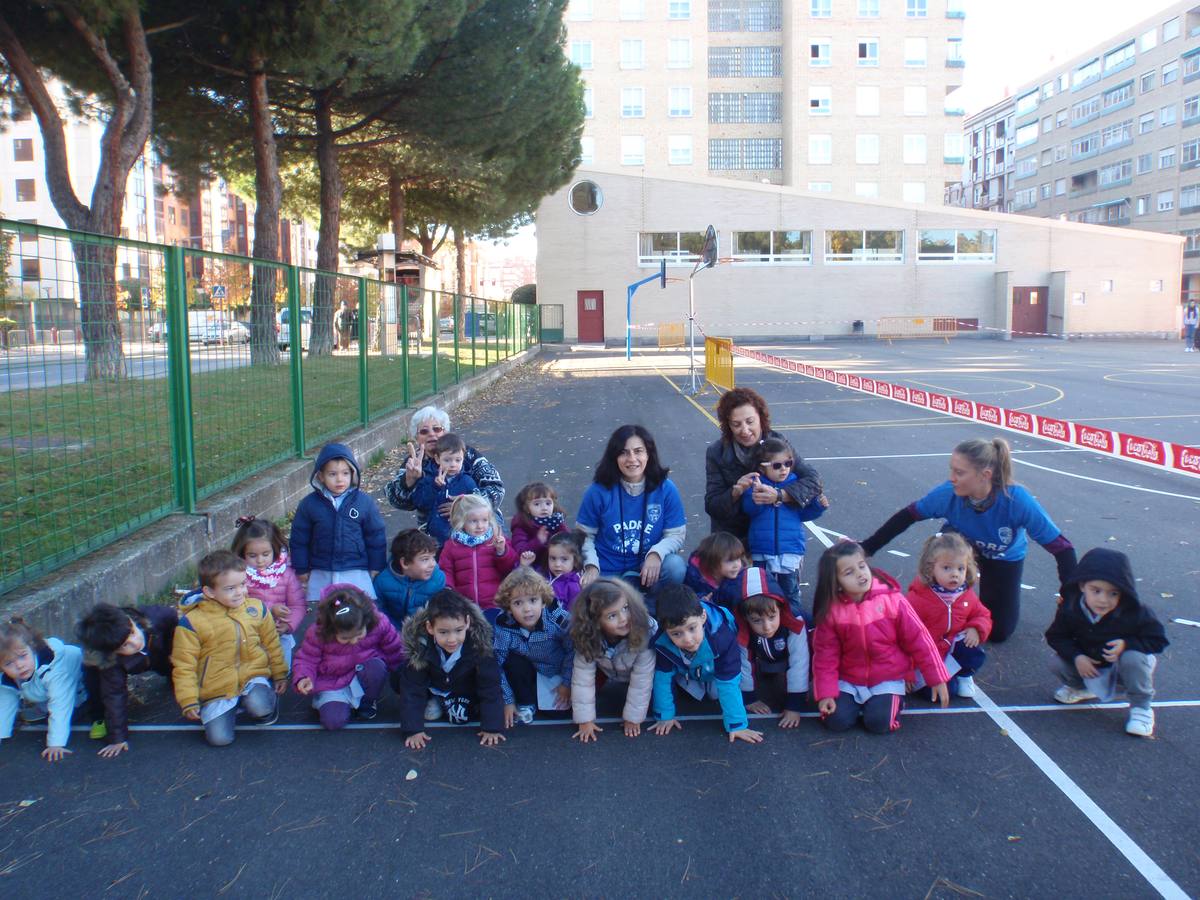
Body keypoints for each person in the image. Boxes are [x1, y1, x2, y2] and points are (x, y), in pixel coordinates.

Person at [861, 437, 1076, 643]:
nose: (952, 477)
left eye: (959, 472)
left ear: (985, 474)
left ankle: (969, 604)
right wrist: (866, 548)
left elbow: (1062, 548)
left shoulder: (1017, 500)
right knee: (946, 558)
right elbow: (907, 516)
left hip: (1003, 557)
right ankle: (937, 600)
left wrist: (1071, 593)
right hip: (961, 551)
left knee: (998, 632)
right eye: (951, 470)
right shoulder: (949, 493)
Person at [811, 542, 949, 735]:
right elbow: (825, 656)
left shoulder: (892, 600)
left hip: (887, 677)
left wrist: (936, 677)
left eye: (861, 566)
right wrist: (826, 693)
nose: (860, 574)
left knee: (878, 723)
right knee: (836, 721)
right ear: (835, 582)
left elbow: (919, 639)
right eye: (849, 572)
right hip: (849, 678)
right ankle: (857, 703)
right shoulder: (832, 611)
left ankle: (888, 702)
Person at [1045, 548, 1168, 737]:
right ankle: (1083, 688)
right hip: (1092, 666)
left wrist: (1127, 644)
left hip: (1123, 667)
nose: (1103, 600)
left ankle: (1141, 708)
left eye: (1113, 593)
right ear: (1082, 586)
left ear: (1123, 592)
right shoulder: (1070, 607)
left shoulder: (1136, 612)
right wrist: (1077, 657)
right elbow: (1056, 636)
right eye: (1096, 591)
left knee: (1133, 657)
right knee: (1056, 662)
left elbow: (1158, 640)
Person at [171, 550, 288, 747]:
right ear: (209, 592)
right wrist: (188, 698)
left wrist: (280, 674)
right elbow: (184, 665)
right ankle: (231, 706)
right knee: (220, 739)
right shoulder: (192, 622)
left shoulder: (256, 608)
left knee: (260, 706)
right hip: (217, 687)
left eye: (243, 584)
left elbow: (272, 644)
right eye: (230, 588)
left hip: (253, 675)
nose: (240, 592)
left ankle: (259, 699)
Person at [576, 425, 687, 606]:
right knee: (592, 600)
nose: (632, 459)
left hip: (647, 569)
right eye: (624, 453)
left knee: (675, 566)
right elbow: (583, 536)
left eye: (638, 451)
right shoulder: (598, 491)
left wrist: (656, 554)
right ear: (614, 457)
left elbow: (676, 534)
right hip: (608, 568)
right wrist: (591, 566)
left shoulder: (665, 488)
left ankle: (652, 611)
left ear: (648, 454)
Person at [704, 387, 823, 545]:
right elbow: (712, 505)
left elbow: (814, 479)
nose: (745, 430)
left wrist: (780, 495)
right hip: (733, 539)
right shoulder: (717, 452)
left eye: (750, 421)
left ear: (761, 417)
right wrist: (735, 492)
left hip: (771, 539)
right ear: (728, 426)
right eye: (736, 424)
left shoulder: (778, 443)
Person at [649, 584, 764, 745]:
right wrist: (664, 716)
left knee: (718, 692)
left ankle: (706, 685)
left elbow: (728, 681)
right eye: (677, 633)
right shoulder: (663, 642)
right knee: (678, 684)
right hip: (690, 671)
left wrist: (737, 725)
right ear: (665, 630)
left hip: (714, 670)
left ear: (703, 617)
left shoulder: (722, 637)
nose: (687, 639)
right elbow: (662, 679)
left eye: (692, 628)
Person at [400, 589, 506, 750]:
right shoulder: (420, 646)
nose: (451, 639)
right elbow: (413, 689)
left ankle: (448, 703)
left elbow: (490, 687)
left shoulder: (480, 646)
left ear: (468, 623)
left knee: (461, 717)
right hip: (434, 685)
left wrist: (491, 727)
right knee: (402, 676)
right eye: (443, 632)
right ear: (430, 627)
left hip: (463, 688)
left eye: (458, 631)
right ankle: (433, 699)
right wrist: (413, 729)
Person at [292, 584, 405, 730]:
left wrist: (402, 682)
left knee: (376, 667)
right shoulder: (318, 633)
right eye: (345, 638)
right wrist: (304, 677)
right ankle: (331, 702)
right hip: (332, 681)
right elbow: (307, 659)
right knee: (333, 722)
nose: (353, 641)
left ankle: (367, 701)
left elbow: (394, 650)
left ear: (366, 620)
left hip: (363, 672)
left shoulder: (379, 622)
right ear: (332, 630)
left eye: (359, 635)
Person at [741, 437, 829, 619]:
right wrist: (755, 495)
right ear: (762, 467)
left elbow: (803, 515)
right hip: (762, 551)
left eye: (788, 463)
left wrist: (817, 507)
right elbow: (750, 511)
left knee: (790, 592)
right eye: (777, 465)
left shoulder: (795, 485)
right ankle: (767, 630)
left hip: (790, 549)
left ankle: (797, 627)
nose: (783, 469)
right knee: (763, 593)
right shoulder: (756, 486)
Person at [290, 442, 388, 601]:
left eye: (345, 473)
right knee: (321, 611)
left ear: (353, 474)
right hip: (321, 569)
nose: (339, 479)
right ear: (320, 476)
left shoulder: (364, 503)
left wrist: (376, 565)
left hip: (355, 568)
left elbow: (376, 535)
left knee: (360, 612)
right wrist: (301, 568)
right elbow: (299, 539)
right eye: (332, 474)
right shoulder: (309, 504)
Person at [77, 603, 177, 758]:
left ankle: (173, 675)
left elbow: (173, 622)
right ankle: (98, 717)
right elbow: (114, 695)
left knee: (171, 663)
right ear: (113, 651)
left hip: (157, 649)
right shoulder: (111, 662)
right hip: (126, 663)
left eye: (132, 632)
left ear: (130, 620)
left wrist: (174, 649)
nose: (135, 642)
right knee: (98, 687)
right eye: (125, 645)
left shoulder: (158, 617)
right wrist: (118, 738)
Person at [385, 405, 505, 530]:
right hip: (435, 527)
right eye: (424, 431)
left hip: (479, 521)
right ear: (417, 438)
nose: (431, 434)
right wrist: (408, 481)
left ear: (445, 432)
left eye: (437, 429)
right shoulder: (414, 461)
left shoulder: (466, 454)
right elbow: (396, 501)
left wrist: (465, 506)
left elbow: (496, 489)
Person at [905, 533, 993, 699]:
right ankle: (945, 678)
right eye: (947, 568)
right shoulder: (917, 599)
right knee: (941, 694)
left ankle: (964, 674)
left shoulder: (965, 594)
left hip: (949, 653)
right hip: (925, 658)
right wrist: (907, 670)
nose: (955, 574)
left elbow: (982, 614)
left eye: (961, 568)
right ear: (930, 569)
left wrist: (976, 627)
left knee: (971, 648)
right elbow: (904, 637)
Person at [569, 578, 657, 742]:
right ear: (595, 622)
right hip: (609, 668)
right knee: (574, 699)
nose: (623, 618)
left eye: (625, 608)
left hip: (641, 674)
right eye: (612, 616)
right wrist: (585, 720)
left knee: (654, 705)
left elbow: (642, 681)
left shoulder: (645, 632)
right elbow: (582, 679)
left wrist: (633, 718)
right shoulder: (588, 637)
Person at [492, 568, 573, 728]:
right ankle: (526, 701)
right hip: (529, 670)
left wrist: (566, 683)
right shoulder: (504, 626)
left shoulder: (557, 618)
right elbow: (496, 664)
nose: (527, 609)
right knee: (512, 661)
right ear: (508, 607)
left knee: (558, 714)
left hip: (558, 670)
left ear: (543, 601)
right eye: (518, 603)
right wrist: (507, 700)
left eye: (533, 600)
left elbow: (574, 650)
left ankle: (542, 696)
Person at [732, 567, 809, 729]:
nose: (767, 627)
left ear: (781, 608)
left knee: (790, 691)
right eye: (757, 620)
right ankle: (771, 669)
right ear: (745, 617)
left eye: (772, 617)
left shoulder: (795, 621)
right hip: (770, 657)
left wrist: (794, 705)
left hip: (806, 656)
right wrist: (749, 697)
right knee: (767, 675)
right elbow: (744, 662)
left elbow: (800, 662)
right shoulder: (741, 627)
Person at [0, 617, 85, 762]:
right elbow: (4, 704)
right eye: (9, 663)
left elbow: (61, 703)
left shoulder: (55, 669)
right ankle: (43, 708)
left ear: (32, 647)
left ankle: (51, 709)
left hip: (82, 688)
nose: (19, 666)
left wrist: (56, 743)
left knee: (71, 713)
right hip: (45, 689)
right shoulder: (9, 676)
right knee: (23, 690)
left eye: (22, 656)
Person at [232, 515, 305, 669]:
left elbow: (297, 605)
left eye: (266, 554)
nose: (260, 561)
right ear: (242, 553)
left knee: (280, 670)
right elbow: (236, 604)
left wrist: (289, 625)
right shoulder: (238, 575)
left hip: (278, 634)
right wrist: (270, 610)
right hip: (248, 635)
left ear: (275, 549)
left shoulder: (286, 574)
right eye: (252, 556)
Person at [438, 494, 518, 615]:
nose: (480, 526)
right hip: (464, 606)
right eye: (473, 521)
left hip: (495, 603)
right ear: (462, 521)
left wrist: (502, 551)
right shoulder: (452, 545)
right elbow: (446, 571)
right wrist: (449, 590)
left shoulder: (496, 540)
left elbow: (510, 568)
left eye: (484, 520)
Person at [410, 433, 481, 545]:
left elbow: (478, 504)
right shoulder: (429, 479)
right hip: (436, 538)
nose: (453, 465)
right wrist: (435, 487)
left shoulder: (467, 481)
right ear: (437, 459)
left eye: (458, 460)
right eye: (447, 460)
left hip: (463, 537)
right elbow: (420, 503)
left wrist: (463, 503)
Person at [374, 529, 446, 630]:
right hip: (392, 631)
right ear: (405, 563)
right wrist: (394, 629)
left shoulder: (437, 579)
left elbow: (439, 612)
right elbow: (378, 611)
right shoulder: (382, 581)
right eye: (425, 559)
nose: (433, 564)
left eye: (433, 557)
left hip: (424, 629)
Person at [511, 481, 569, 574]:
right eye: (537, 504)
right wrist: (538, 541)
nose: (544, 508)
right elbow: (520, 552)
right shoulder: (522, 525)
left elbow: (571, 545)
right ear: (527, 508)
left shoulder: (556, 521)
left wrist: (561, 532)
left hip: (558, 568)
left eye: (548, 503)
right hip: (534, 571)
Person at [683, 531, 750, 609]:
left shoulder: (741, 577)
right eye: (729, 561)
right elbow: (688, 596)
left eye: (738, 559)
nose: (737, 565)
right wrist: (701, 600)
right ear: (712, 561)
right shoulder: (695, 577)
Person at [547, 531, 584, 611]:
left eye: (564, 559)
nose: (557, 564)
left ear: (575, 561)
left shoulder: (574, 587)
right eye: (553, 558)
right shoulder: (544, 574)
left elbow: (574, 616)